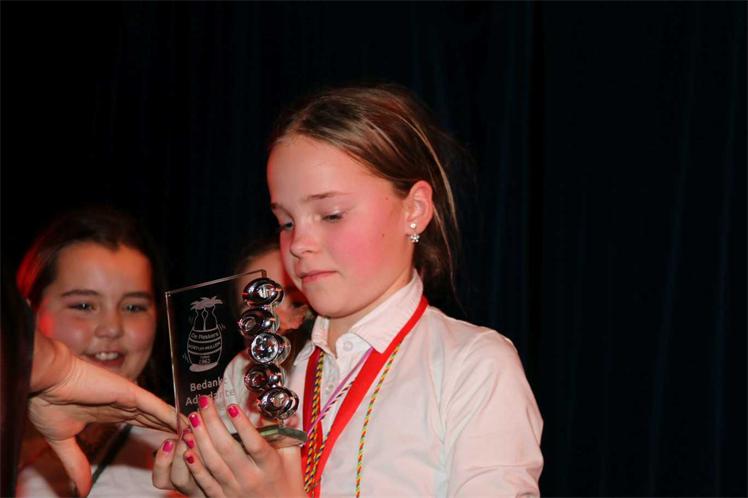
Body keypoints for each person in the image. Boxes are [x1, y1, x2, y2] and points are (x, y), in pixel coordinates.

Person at [154, 83, 544, 497]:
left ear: (414, 210)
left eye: (331, 214)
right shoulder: (251, 372)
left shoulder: (472, 367)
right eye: (286, 222)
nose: (299, 243)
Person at [14, 207, 178, 497]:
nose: (112, 328)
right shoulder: (10, 437)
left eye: (133, 307)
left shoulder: (183, 459)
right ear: (29, 314)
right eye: (84, 306)